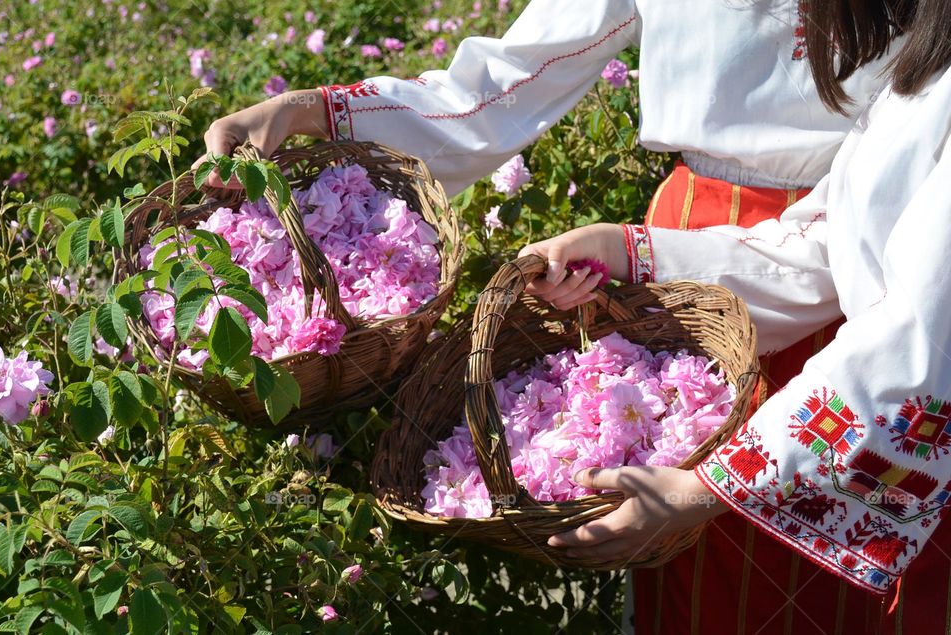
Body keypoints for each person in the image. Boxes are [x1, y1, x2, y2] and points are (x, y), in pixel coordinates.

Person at [195, 1, 903, 631]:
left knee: (843, 542)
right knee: (684, 555)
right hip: (680, 259)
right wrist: (312, 111)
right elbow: (505, 81)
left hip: (871, 241)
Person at [522, 1, 951, 632]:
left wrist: (710, 488)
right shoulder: (926, 70)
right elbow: (824, 246)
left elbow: (921, 344)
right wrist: (632, 252)